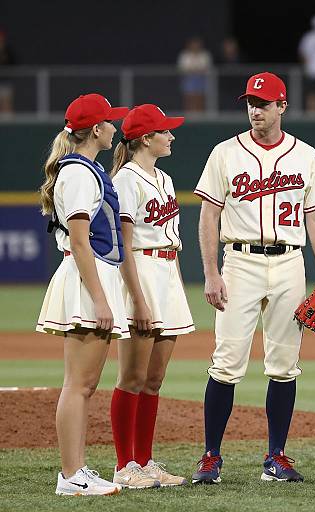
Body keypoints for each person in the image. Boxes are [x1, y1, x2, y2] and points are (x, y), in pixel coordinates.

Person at [192, 71, 315, 484]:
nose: (256, 109)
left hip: (290, 261)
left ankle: (277, 456)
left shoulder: (305, 155)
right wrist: (211, 272)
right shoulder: (225, 153)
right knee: (226, 362)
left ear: (282, 106)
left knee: (285, 365)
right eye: (251, 103)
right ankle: (210, 457)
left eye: (265, 103)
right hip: (239, 261)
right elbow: (209, 214)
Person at [37, 93, 129, 496]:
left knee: (84, 384)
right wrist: (102, 299)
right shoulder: (78, 173)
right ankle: (71, 474)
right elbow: (79, 241)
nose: (115, 127)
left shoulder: (84, 168)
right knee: (79, 384)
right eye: (110, 121)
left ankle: (75, 471)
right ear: (95, 129)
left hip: (92, 276)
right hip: (87, 278)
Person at [110, 104, 194, 488]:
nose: (171, 136)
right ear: (146, 138)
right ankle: (124, 465)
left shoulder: (164, 177)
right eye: (165, 131)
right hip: (140, 274)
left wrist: (174, 288)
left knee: (154, 380)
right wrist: (138, 300)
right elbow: (122, 246)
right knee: (131, 378)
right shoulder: (127, 178)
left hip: (166, 274)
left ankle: (144, 461)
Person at [176, 37, 212, 112]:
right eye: (193, 44)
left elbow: (206, 67)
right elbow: (182, 68)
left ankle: (200, 114)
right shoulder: (184, 55)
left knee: (200, 98)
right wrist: (194, 70)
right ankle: (189, 114)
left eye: (197, 44)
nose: (195, 46)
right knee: (189, 98)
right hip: (188, 79)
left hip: (201, 79)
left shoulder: (205, 55)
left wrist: (196, 70)